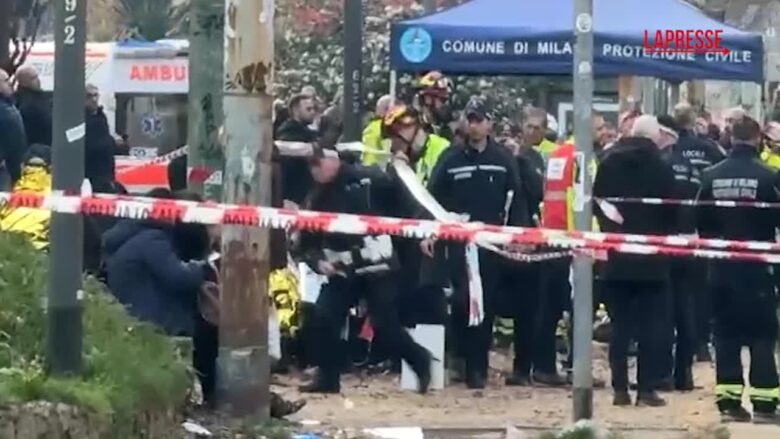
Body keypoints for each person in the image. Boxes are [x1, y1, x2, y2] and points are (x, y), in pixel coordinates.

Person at [297, 147, 432, 394]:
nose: (314, 169)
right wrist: (318, 263)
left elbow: (408, 206)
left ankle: (419, 360)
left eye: (318, 162)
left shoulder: (371, 178)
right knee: (324, 316)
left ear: (333, 160)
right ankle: (328, 378)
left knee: (384, 324)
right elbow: (306, 243)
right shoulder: (316, 197)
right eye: (311, 165)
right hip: (342, 269)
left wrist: (422, 234)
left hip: (378, 264)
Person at [423, 98, 532, 389]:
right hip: (458, 243)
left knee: (486, 305)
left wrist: (519, 235)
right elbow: (431, 199)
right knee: (462, 302)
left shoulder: (503, 159)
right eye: (470, 119)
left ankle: (478, 369)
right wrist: (429, 232)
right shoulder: (450, 157)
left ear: (489, 124)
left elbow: (517, 199)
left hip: (491, 244)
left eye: (479, 119)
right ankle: (460, 357)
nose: (474, 125)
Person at [696, 117, 780, 423]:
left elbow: (700, 223)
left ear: (731, 138)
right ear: (758, 139)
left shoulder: (709, 176)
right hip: (759, 271)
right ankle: (765, 404)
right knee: (762, 336)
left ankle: (729, 404)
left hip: (720, 270)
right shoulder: (771, 177)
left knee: (725, 336)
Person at [593, 115, 677, 407]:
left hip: (617, 256)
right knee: (650, 328)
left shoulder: (608, 162)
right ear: (654, 138)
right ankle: (645, 389)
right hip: (653, 259)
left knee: (620, 326)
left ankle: (619, 389)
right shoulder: (662, 166)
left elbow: (598, 202)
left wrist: (613, 231)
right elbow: (672, 211)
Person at [657, 115, 700, 391]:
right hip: (688, 243)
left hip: (662, 244)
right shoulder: (690, 167)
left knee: (661, 311)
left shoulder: (658, 166)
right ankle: (683, 373)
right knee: (686, 310)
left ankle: (661, 372)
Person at [276, 93, 319, 206]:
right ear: (296, 110)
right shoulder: (289, 131)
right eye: (308, 109)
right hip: (292, 194)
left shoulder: (307, 132)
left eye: (314, 109)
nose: (313, 112)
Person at [84, 84, 118, 191]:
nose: (94, 99)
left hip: (106, 171)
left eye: (96, 95)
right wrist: (111, 142)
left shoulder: (101, 116)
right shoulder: (79, 118)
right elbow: (89, 144)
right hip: (90, 172)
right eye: (89, 96)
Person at [0, 68, 27, 189]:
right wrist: (16, 171)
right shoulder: (6, 112)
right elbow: (15, 142)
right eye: (6, 81)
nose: (10, 83)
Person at [14, 65, 52, 148]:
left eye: (37, 76)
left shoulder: (38, 96)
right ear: (23, 82)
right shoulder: (27, 103)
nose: (38, 80)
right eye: (33, 78)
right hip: (37, 146)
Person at [413, 71, 455, 140]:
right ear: (428, 99)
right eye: (442, 100)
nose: (445, 105)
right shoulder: (415, 131)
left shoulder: (446, 131)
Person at [362, 95, 395, 166]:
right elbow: (388, 152)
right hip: (379, 171)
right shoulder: (383, 127)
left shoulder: (371, 127)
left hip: (368, 168)